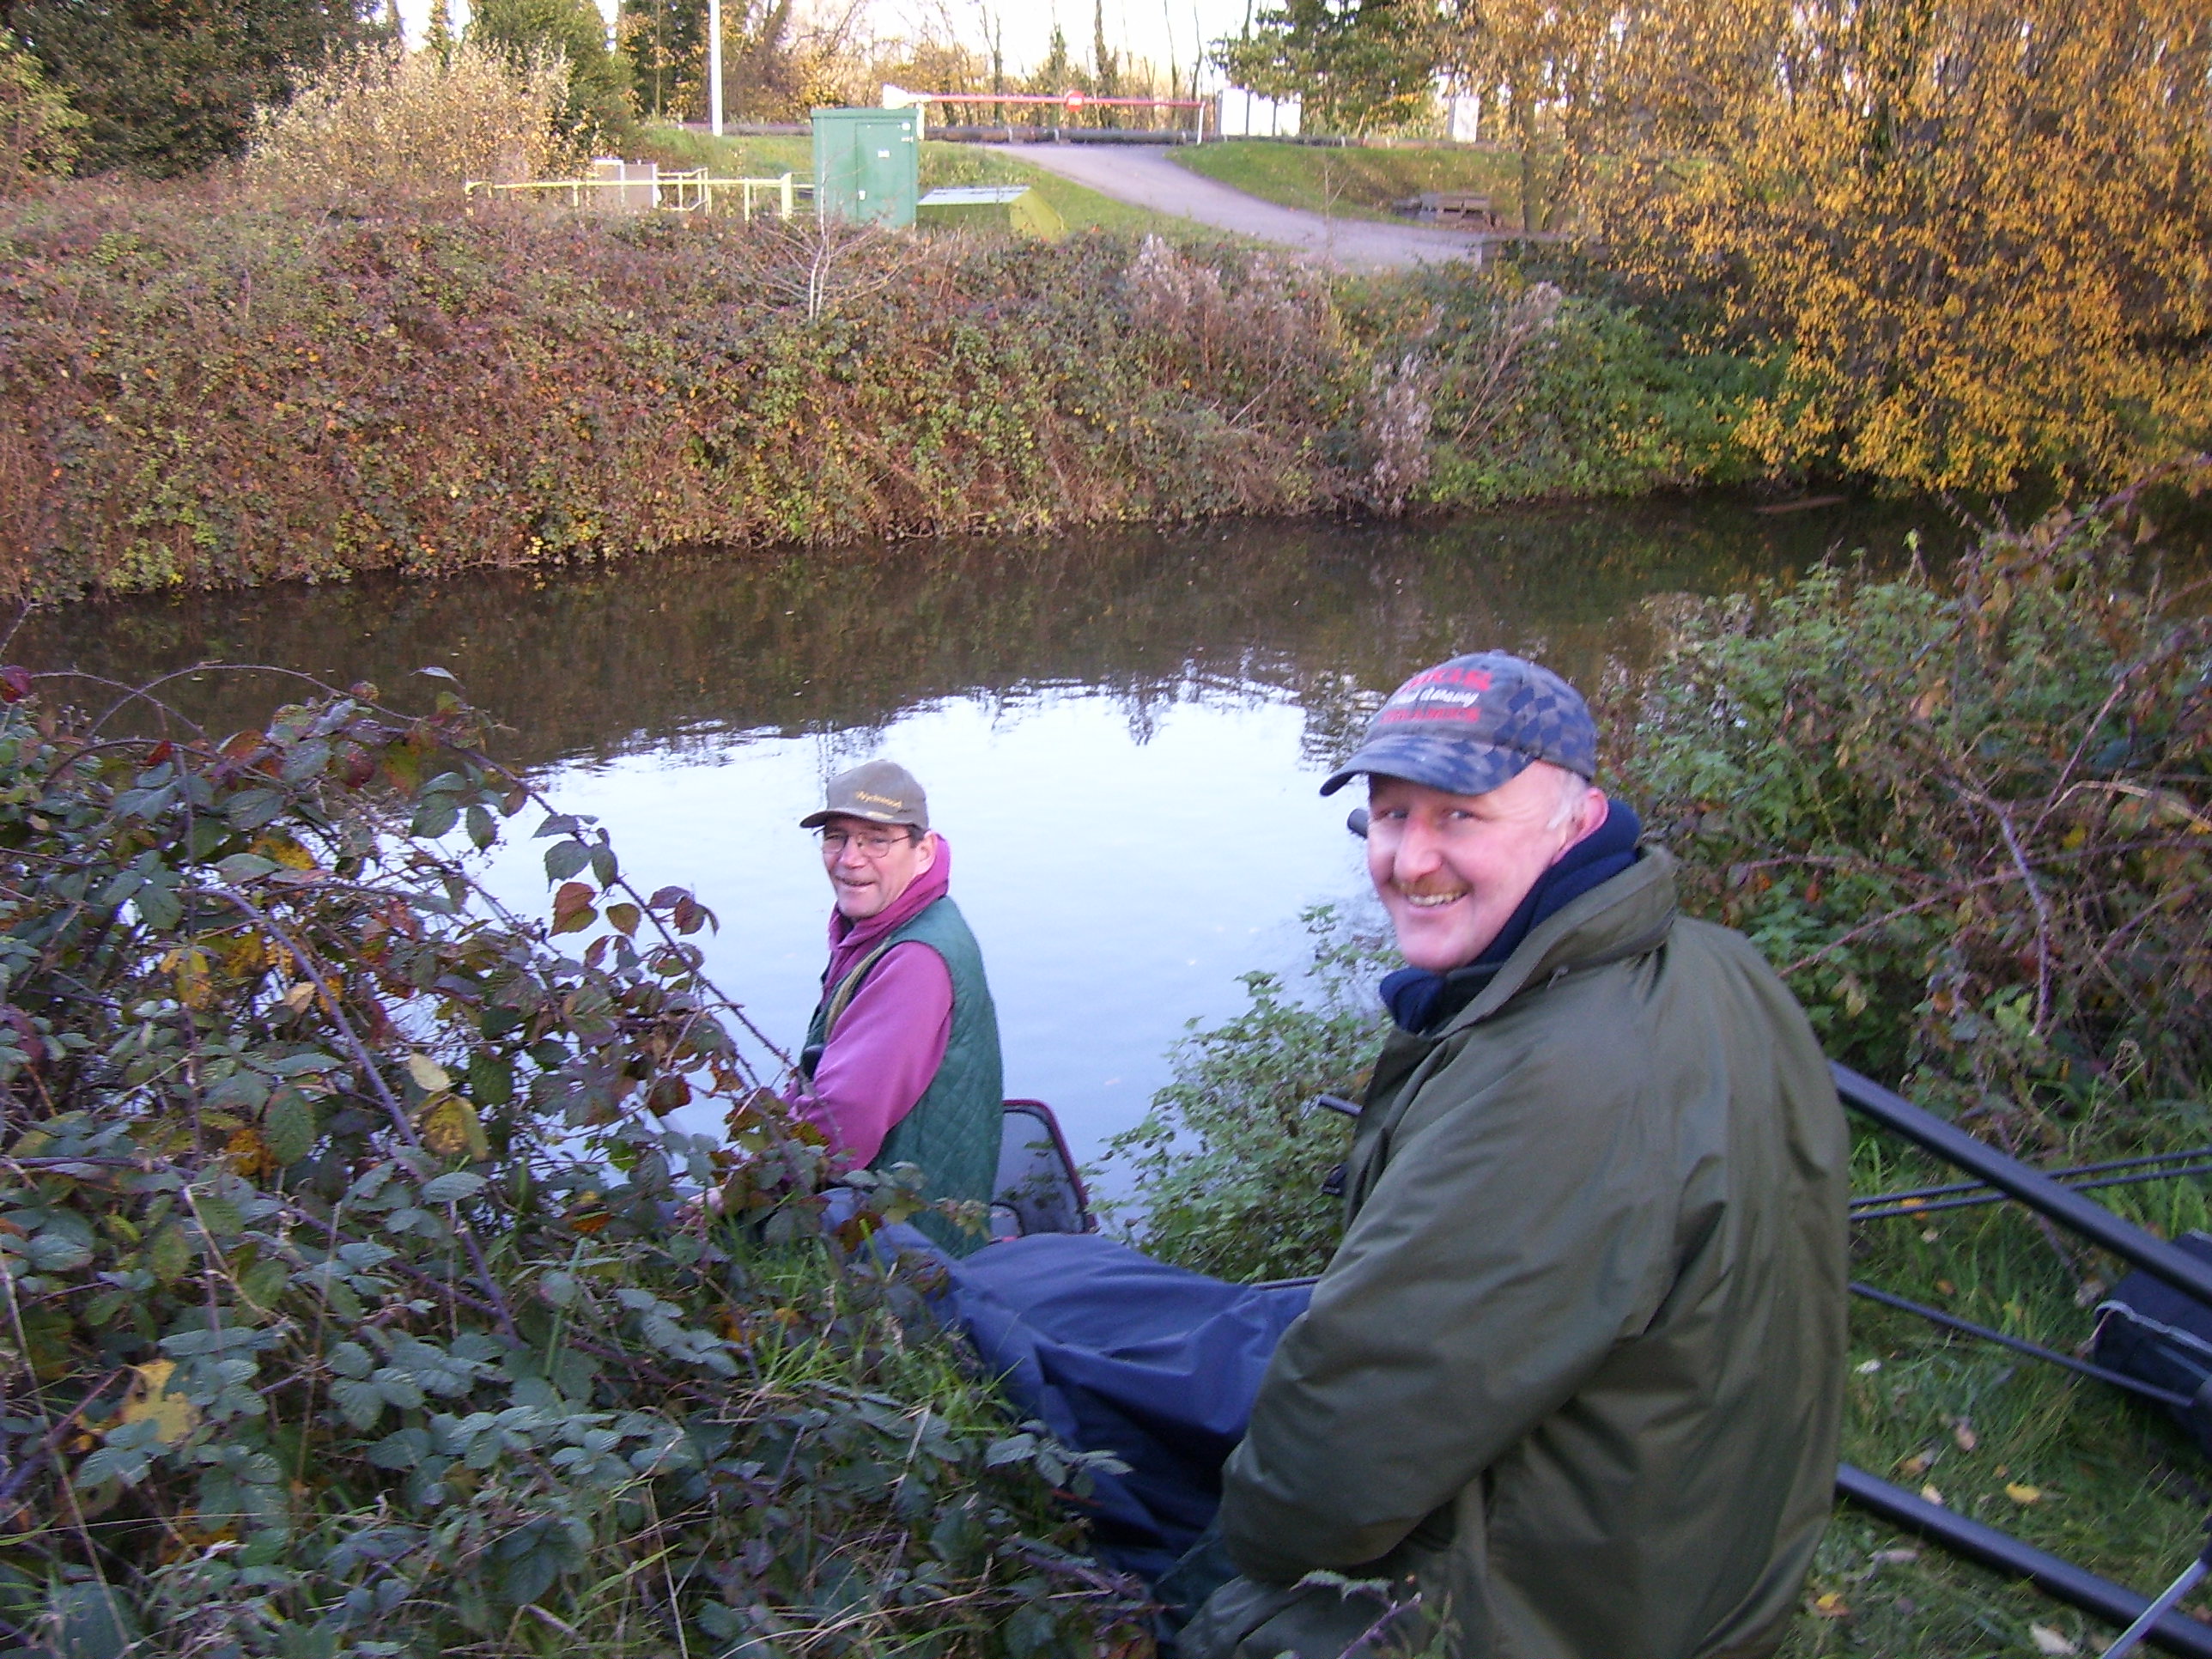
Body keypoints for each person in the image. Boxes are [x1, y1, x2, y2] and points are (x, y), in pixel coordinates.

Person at [1174, 651, 1850, 1659]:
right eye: (1393, 812)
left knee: (1195, 1580)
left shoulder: (1550, 1081)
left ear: (1575, 821)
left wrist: (1241, 1556)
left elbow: (1337, 1456)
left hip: (1575, 1617)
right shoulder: (1717, 964)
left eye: (1460, 816)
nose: (1408, 859)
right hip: (1715, 1564)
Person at [793, 759, 1004, 1256]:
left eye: (875, 840)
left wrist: (736, 1192)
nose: (849, 859)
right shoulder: (893, 925)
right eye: (837, 837)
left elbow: (841, 1129)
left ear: (923, 850)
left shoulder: (915, 959)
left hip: (910, 1249)